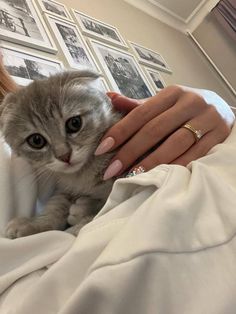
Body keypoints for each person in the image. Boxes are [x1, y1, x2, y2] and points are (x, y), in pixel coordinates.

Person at [0, 53, 236, 314]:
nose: (63, 153)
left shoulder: (116, 131)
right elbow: (67, 193)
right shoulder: (36, 162)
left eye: (74, 124)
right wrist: (48, 221)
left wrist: (217, 104)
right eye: (37, 142)